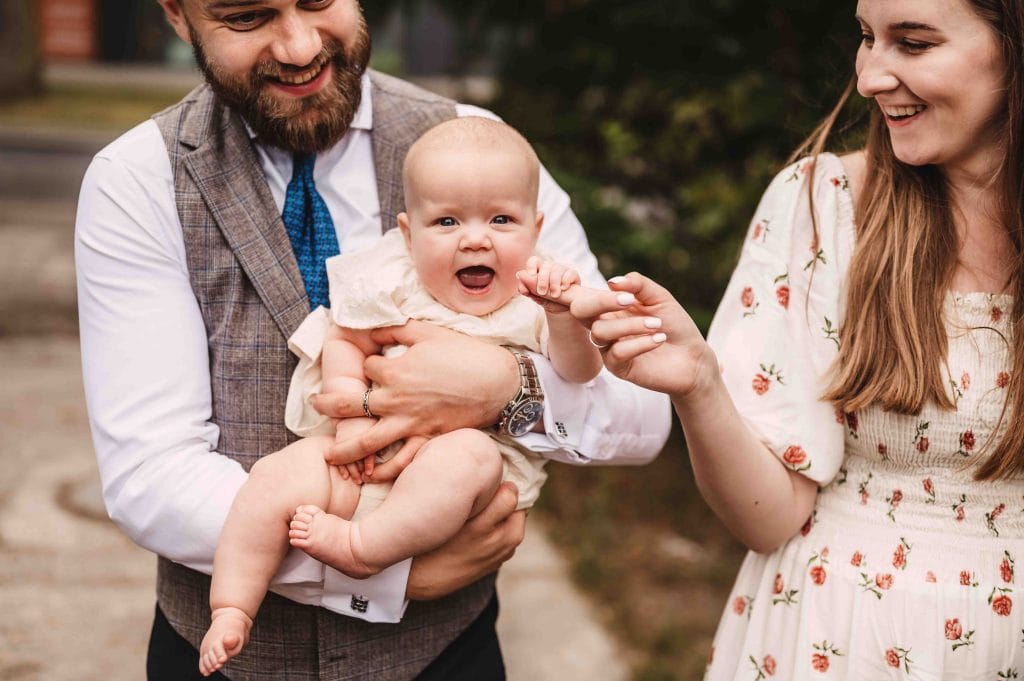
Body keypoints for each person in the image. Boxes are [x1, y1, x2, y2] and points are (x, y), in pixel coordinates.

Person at [74, 1, 670, 679]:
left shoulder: (481, 151)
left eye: (319, 0)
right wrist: (385, 570)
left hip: (446, 656)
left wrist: (509, 390)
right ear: (178, 17)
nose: (299, 48)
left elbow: (644, 410)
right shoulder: (138, 180)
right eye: (247, 17)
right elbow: (152, 475)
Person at [574, 0, 1024, 677]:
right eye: (867, 38)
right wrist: (700, 386)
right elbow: (768, 517)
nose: (871, 75)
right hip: (846, 636)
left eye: (914, 43)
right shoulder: (827, 206)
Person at [197, 116, 608, 675]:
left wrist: (566, 319)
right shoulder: (394, 278)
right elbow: (346, 335)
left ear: (535, 231)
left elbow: (580, 373)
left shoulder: (539, 300)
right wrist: (347, 413)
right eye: (446, 220)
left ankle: (362, 552)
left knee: (469, 455)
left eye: (501, 219)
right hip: (360, 461)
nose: (475, 237)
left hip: (458, 499)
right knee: (272, 479)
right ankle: (232, 607)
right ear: (408, 233)